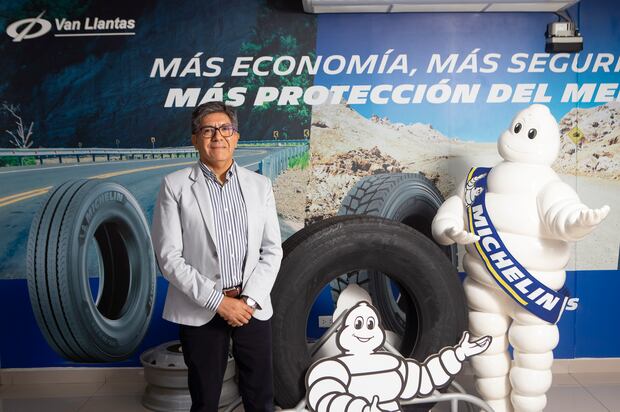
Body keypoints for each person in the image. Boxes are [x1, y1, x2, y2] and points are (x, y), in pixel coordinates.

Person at [151, 101, 283, 412]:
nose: (217, 136)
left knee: (261, 397)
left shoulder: (260, 185)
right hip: (201, 307)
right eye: (208, 130)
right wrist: (219, 303)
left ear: (236, 137)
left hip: (251, 308)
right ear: (195, 139)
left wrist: (248, 301)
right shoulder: (175, 186)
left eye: (225, 129)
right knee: (205, 399)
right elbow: (169, 257)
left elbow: (272, 249)